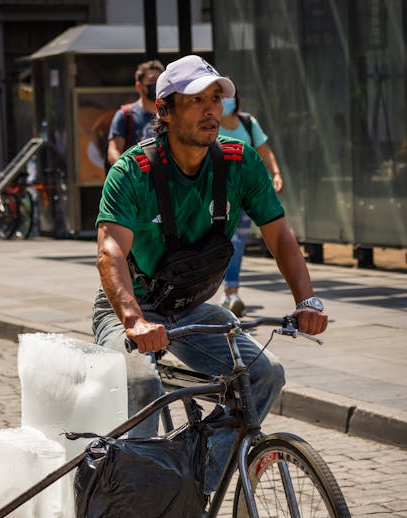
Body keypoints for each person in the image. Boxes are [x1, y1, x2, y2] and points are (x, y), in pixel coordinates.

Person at [93, 54, 327, 493]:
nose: (211, 110)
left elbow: (279, 236)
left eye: (215, 99)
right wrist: (134, 320)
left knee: (265, 374)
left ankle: (197, 487)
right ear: (164, 110)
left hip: (193, 308)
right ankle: (140, 505)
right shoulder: (133, 171)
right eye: (196, 100)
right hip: (131, 308)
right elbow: (110, 252)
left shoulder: (240, 162)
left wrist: (306, 299)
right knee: (141, 384)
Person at [219, 91, 283, 316]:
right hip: (217, 196)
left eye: (228, 96)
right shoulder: (210, 124)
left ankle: (231, 292)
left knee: (236, 242)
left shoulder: (247, 123)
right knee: (223, 242)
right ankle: (223, 291)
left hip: (245, 194)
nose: (225, 101)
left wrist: (275, 173)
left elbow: (264, 151)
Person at [106, 59, 164, 169]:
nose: (157, 85)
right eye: (152, 80)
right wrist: (127, 173)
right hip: (137, 180)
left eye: (160, 80)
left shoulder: (170, 114)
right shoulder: (126, 115)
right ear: (139, 86)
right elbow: (113, 151)